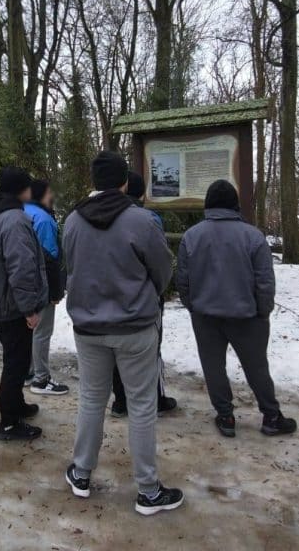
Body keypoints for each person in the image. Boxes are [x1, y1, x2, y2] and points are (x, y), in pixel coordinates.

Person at [63, 150, 184, 516]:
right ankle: (148, 490)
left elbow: (71, 266)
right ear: (123, 182)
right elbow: (162, 270)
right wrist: (148, 294)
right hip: (134, 327)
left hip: (87, 326)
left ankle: (81, 473)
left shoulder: (71, 221)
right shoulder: (141, 221)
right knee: (142, 405)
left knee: (91, 399)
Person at [175, 179, 297, 438]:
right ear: (234, 204)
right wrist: (263, 311)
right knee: (257, 368)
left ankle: (225, 415)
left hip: (206, 316)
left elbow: (183, 280)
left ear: (208, 204)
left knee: (213, 368)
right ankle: (271, 415)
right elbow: (264, 280)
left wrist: (193, 306)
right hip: (247, 316)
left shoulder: (191, 236)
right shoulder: (253, 237)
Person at [0, 166, 49, 441]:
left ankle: (16, 406)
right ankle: (8, 423)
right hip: (12, 305)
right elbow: (21, 268)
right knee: (16, 364)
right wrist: (29, 308)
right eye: (28, 186)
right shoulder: (15, 220)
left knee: (14, 359)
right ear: (21, 190)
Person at [110, 171, 178, 417]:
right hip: (142, 298)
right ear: (140, 192)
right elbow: (160, 262)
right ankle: (157, 399)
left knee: (115, 350)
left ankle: (120, 402)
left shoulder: (103, 215)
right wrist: (157, 291)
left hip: (110, 295)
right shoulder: (149, 218)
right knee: (151, 349)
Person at [23, 180, 69, 396]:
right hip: (41, 287)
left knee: (28, 329)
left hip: (22, 284)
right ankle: (41, 379)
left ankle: (28, 372)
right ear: (42, 195)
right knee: (42, 331)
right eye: (50, 192)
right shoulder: (43, 219)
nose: (52, 196)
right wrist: (55, 291)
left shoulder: (22, 212)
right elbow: (50, 258)